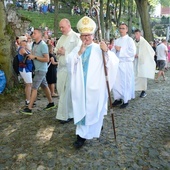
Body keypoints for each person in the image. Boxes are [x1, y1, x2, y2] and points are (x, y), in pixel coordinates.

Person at [66, 16, 119, 148]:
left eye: (88, 35)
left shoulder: (98, 48)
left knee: (94, 110)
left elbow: (112, 63)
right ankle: (81, 136)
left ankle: (96, 127)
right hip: (80, 87)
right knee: (82, 109)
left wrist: (106, 51)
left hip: (95, 87)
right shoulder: (77, 48)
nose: (86, 38)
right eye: (83, 35)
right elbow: (69, 63)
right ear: (80, 36)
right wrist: (79, 53)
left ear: (93, 35)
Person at [21, 28, 55, 115]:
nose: (33, 35)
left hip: (41, 69)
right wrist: (30, 56)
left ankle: (29, 108)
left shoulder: (43, 45)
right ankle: (51, 103)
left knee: (34, 87)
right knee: (44, 86)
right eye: (33, 33)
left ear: (40, 34)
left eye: (35, 33)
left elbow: (47, 59)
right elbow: (33, 54)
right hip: (37, 69)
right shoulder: (33, 44)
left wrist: (35, 57)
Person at [54, 18, 81, 124]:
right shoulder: (61, 37)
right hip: (61, 68)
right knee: (61, 91)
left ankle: (68, 114)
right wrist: (58, 51)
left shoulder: (76, 37)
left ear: (69, 26)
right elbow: (56, 49)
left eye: (63, 27)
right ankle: (66, 113)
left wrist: (65, 52)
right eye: (60, 27)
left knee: (68, 93)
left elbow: (77, 53)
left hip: (71, 69)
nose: (61, 29)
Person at [112, 22, 136, 108]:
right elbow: (113, 52)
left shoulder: (130, 40)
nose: (121, 30)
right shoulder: (117, 40)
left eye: (123, 28)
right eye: (120, 28)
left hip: (126, 64)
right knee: (117, 82)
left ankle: (126, 100)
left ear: (126, 30)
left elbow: (132, 52)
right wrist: (114, 50)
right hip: (118, 64)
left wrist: (121, 50)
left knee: (125, 82)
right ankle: (118, 98)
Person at [134, 29, 156, 98]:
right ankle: (133, 90)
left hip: (142, 62)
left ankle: (143, 91)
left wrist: (139, 55)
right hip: (135, 62)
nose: (136, 35)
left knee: (142, 76)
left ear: (140, 34)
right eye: (135, 34)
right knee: (135, 76)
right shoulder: (133, 42)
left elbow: (149, 52)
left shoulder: (144, 42)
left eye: (137, 34)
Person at [17, 36, 34, 105]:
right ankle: (28, 100)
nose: (26, 42)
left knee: (28, 84)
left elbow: (31, 54)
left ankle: (28, 99)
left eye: (26, 41)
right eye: (25, 41)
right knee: (29, 84)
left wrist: (28, 48)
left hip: (27, 68)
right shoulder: (22, 49)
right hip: (25, 68)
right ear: (21, 42)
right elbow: (28, 56)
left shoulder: (24, 48)